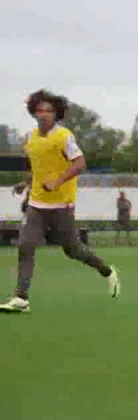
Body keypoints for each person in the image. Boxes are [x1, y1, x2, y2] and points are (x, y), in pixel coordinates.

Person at [0, 89, 120, 313]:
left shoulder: (64, 136)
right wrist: (24, 183)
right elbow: (38, 168)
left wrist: (57, 181)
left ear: (56, 114)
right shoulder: (31, 138)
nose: (44, 114)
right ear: (33, 113)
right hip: (37, 203)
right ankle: (21, 298)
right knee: (26, 245)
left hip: (61, 205)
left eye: (49, 110)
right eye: (40, 110)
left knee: (72, 249)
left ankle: (107, 271)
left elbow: (79, 163)